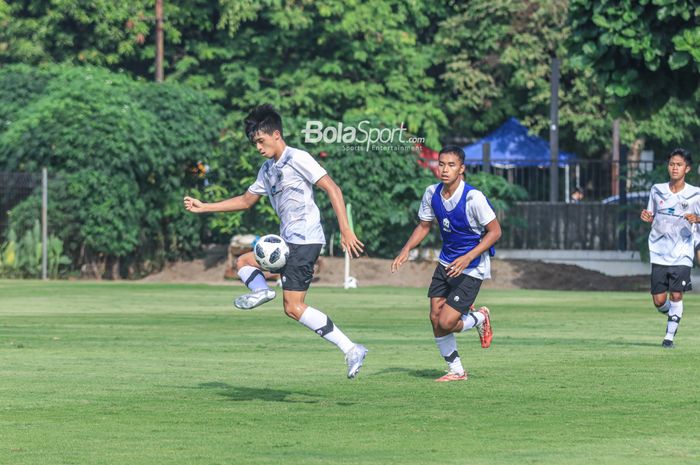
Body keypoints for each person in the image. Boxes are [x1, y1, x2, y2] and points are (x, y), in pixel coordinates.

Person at [183, 104, 368, 378]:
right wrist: (205, 206)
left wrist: (345, 229)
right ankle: (263, 292)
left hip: (305, 240)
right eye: (254, 142)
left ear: (276, 134)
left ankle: (351, 348)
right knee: (245, 263)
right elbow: (247, 201)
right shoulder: (267, 170)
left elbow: (332, 187)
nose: (258, 147)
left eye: (261, 140)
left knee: (293, 306)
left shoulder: (298, 158)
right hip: (289, 241)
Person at [391, 146, 501, 382]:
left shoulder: (474, 197)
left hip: (471, 267)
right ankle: (457, 371)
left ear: (461, 169)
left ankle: (480, 317)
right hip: (445, 263)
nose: (444, 169)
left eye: (451, 165)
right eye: (441, 164)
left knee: (447, 322)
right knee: (434, 317)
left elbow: (494, 232)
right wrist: (406, 249)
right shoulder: (432, 193)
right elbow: (424, 226)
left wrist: (468, 257)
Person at [640, 148, 700, 349]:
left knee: (676, 294)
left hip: (682, 251)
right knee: (659, 301)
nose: (675, 168)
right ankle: (675, 315)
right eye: (672, 164)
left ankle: (669, 338)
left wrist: (697, 218)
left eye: (679, 165)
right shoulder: (657, 190)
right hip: (659, 250)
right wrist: (647, 216)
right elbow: (651, 214)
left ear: (687, 169)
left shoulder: (695, 194)